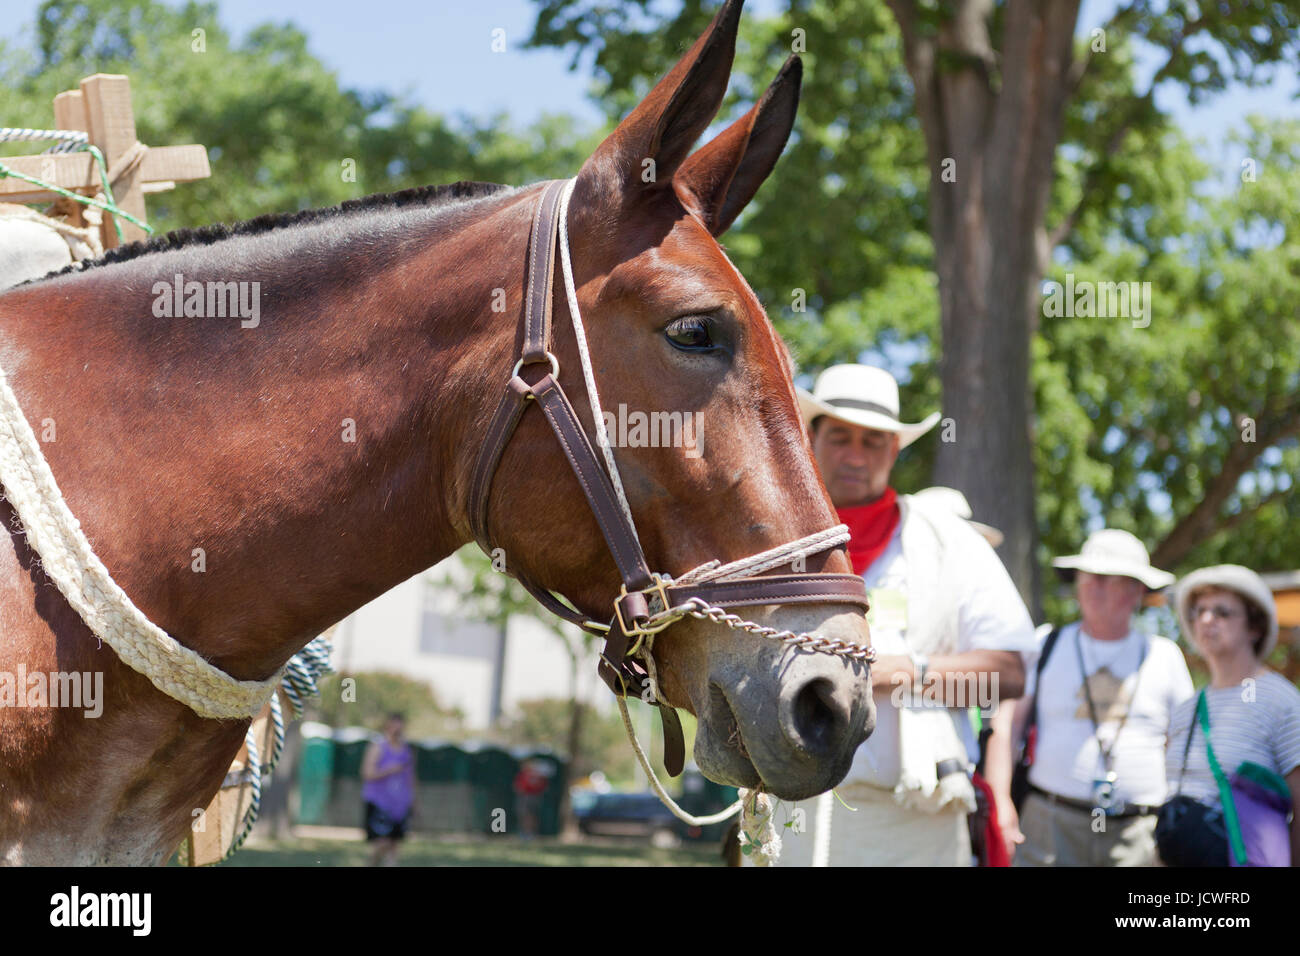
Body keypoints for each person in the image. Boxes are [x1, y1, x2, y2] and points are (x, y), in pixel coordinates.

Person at [770, 364, 1033, 867]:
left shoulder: (948, 540)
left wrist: (906, 673)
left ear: (894, 450)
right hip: (791, 816)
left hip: (916, 823)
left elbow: (1010, 675)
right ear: (811, 438)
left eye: (873, 442)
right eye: (841, 437)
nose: (855, 455)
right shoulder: (770, 541)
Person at [1012, 529, 1193, 866]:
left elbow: (1184, 746)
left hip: (1138, 833)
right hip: (1049, 826)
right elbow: (1010, 726)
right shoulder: (1045, 644)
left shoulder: (1163, 655)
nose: (1092, 586)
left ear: (1137, 591)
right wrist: (1001, 802)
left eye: (1107, 578)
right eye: (1087, 576)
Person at [1162, 565, 1300, 866]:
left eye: (1222, 612)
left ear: (1254, 626)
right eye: (1198, 611)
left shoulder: (1282, 701)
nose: (1206, 620)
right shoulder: (1187, 708)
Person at [361, 713, 416, 866]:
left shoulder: (406, 750)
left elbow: (411, 779)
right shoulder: (378, 747)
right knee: (382, 842)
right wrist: (389, 770)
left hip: (399, 804)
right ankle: (371, 863)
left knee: (394, 845)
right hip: (379, 802)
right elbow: (367, 773)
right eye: (394, 726)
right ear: (388, 726)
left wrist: (414, 802)